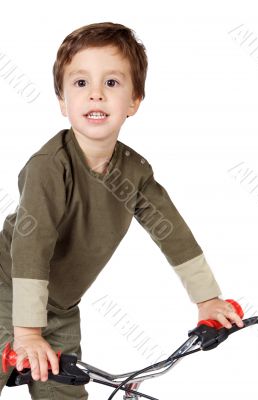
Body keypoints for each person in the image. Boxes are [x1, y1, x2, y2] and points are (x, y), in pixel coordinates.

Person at [0, 22, 243, 399]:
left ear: (134, 101)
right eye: (81, 84)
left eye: (111, 83)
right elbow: (33, 247)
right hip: (7, 289)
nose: (95, 94)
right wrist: (28, 332)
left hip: (60, 307)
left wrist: (208, 299)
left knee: (63, 392)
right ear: (63, 101)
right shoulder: (50, 166)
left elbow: (172, 233)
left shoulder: (135, 172)